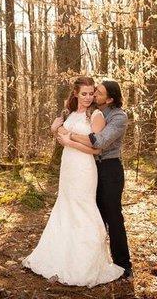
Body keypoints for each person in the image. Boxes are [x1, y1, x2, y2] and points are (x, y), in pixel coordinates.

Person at [22, 77, 124, 287]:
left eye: (92, 93)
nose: (89, 97)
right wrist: (55, 130)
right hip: (68, 166)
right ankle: (60, 255)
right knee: (66, 206)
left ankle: (86, 262)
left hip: (85, 167)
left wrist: (69, 140)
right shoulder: (69, 113)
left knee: (83, 208)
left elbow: (96, 147)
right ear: (76, 93)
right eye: (84, 93)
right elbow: (62, 132)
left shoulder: (96, 115)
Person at [57, 80, 133, 280]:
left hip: (109, 169)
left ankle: (123, 265)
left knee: (113, 217)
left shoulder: (119, 116)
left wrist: (70, 136)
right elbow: (66, 116)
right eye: (91, 92)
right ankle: (92, 260)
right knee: (92, 215)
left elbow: (99, 141)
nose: (93, 95)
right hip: (88, 169)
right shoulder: (92, 109)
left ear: (109, 98)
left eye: (98, 93)